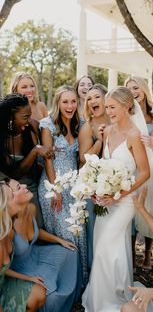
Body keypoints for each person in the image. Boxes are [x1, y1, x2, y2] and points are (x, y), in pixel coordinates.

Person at [82, 86, 150, 312]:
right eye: (107, 106)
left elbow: (144, 172)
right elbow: (103, 165)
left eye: (112, 107)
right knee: (110, 247)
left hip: (124, 202)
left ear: (127, 106)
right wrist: (95, 188)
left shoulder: (134, 135)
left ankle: (110, 302)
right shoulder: (109, 131)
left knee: (105, 247)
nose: (108, 111)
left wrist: (118, 194)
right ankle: (106, 294)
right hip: (105, 200)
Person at [38, 85, 88, 289]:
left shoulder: (81, 124)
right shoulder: (48, 124)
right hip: (53, 185)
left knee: (79, 233)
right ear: (58, 103)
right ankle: (61, 285)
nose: (70, 105)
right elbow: (48, 160)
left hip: (75, 187)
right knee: (63, 235)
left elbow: (83, 156)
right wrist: (56, 188)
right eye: (65, 101)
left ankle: (79, 285)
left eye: (73, 101)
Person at [7, 178, 80, 312]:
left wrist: (60, 241)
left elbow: (36, 231)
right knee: (47, 290)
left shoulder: (31, 208)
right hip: (20, 268)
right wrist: (28, 278)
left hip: (35, 253)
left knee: (70, 253)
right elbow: (3, 268)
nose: (24, 185)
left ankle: (73, 301)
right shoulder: (8, 226)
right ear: (10, 198)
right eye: (18, 187)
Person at [125, 76, 153, 270]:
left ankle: (148, 253)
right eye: (129, 89)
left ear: (144, 89)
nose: (133, 92)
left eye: (136, 87)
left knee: (149, 210)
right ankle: (131, 254)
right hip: (134, 167)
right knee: (131, 212)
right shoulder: (127, 115)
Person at [0, 93, 52, 227]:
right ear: (10, 118)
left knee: (37, 226)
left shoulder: (33, 127)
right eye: (25, 117)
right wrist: (35, 151)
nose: (29, 120)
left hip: (31, 188)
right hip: (9, 196)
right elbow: (15, 174)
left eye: (30, 115)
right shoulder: (2, 137)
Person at [0, 180, 46, 312]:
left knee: (39, 292)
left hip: (3, 283)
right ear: (3, 207)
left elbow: (3, 269)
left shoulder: (7, 230)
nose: (25, 186)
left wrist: (28, 278)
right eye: (12, 196)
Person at [78, 83, 109, 268]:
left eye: (97, 97)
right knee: (95, 231)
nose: (92, 101)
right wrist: (100, 141)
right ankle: (94, 270)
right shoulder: (87, 127)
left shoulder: (117, 121)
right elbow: (83, 159)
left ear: (106, 99)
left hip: (115, 186)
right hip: (93, 187)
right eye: (89, 99)